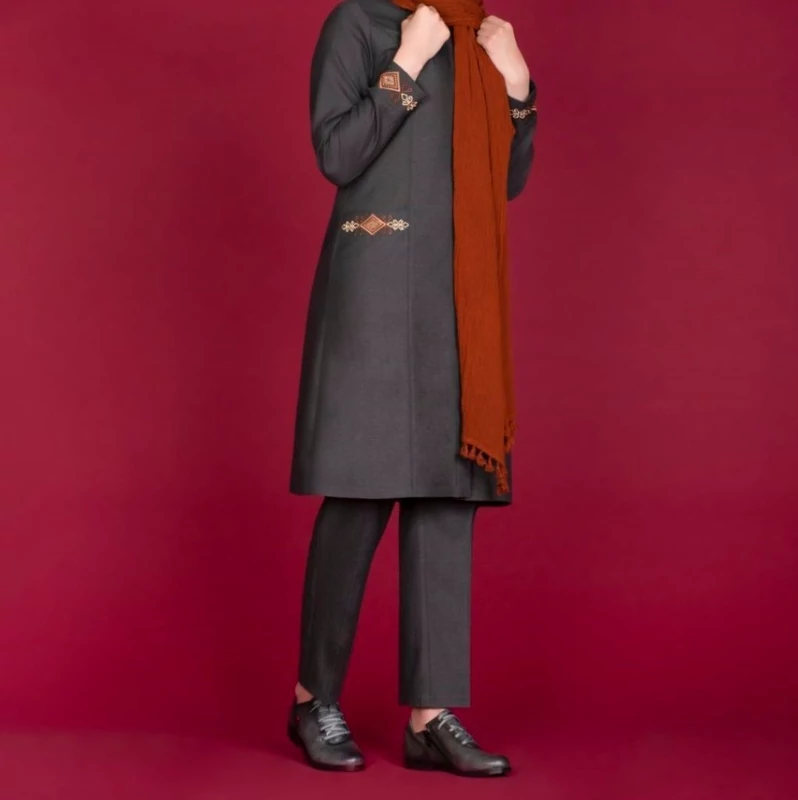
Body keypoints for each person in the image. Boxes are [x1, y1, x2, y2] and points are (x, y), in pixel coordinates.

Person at [286, 0, 537, 776]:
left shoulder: (480, 37)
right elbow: (337, 152)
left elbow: (504, 181)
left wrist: (517, 89)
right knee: (358, 492)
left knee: (445, 496)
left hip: (456, 297)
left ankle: (431, 716)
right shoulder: (359, 23)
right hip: (374, 285)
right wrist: (406, 64)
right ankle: (312, 699)